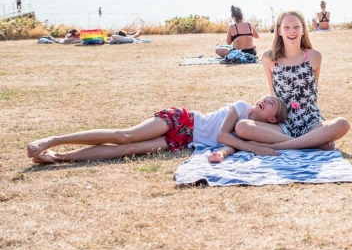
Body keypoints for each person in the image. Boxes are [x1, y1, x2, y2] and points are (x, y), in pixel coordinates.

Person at [26, 96, 288, 164]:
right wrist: (254, 148)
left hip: (183, 141)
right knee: (124, 136)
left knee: (126, 150)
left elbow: (228, 144)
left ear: (272, 118)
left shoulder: (250, 129)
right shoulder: (241, 107)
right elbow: (221, 135)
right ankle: (54, 141)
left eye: (271, 103)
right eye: (268, 97)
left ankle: (59, 158)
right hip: (183, 121)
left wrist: (224, 154)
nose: (265, 99)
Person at [234, 10, 350, 152]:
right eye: (286, 27)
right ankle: (310, 143)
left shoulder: (314, 56)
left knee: (343, 124)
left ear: (303, 30)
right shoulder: (268, 57)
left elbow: (314, 94)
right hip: (283, 123)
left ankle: (282, 145)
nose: (292, 31)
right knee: (241, 126)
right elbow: (273, 93)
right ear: (279, 31)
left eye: (296, 27)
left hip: (311, 121)